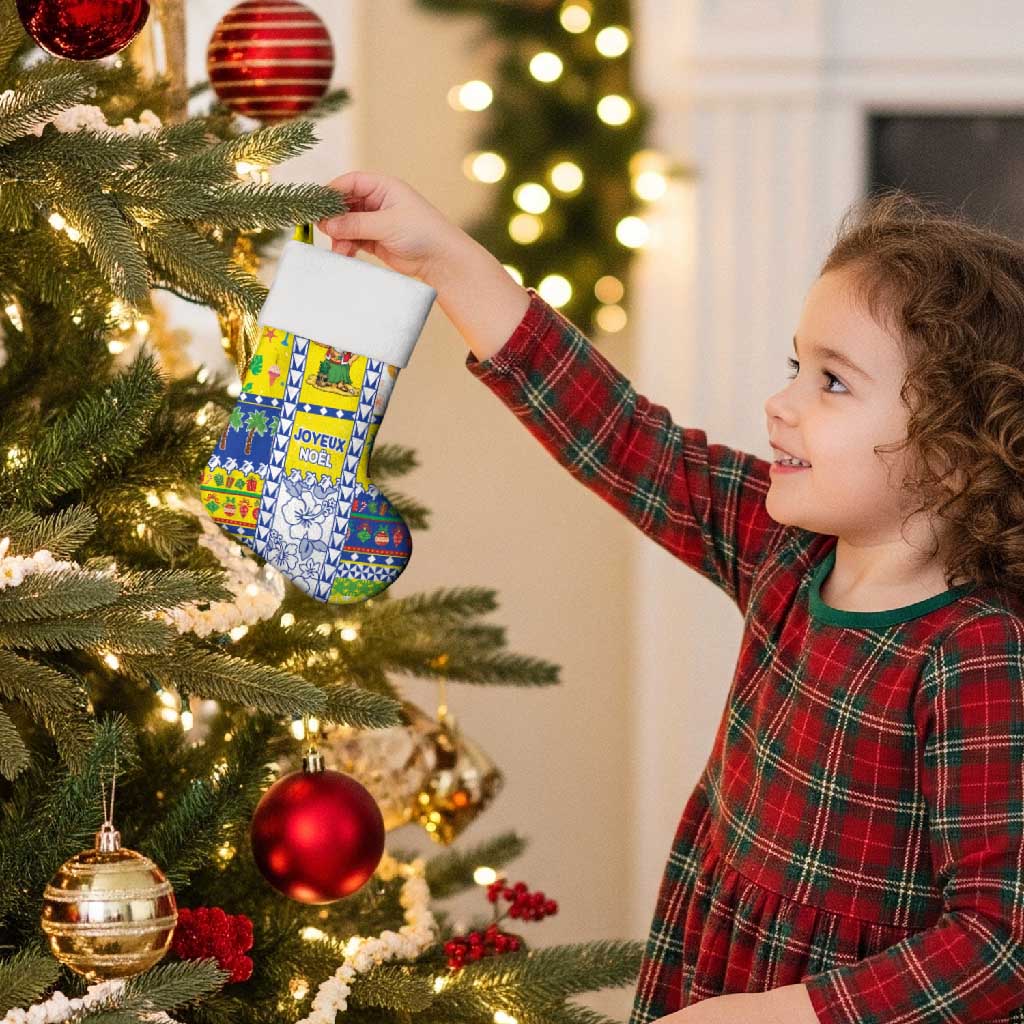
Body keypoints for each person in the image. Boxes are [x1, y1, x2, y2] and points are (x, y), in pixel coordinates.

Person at [317, 173, 1024, 1024]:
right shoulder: (786, 552)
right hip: (714, 964)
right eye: (796, 367)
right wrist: (451, 261)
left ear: (956, 455)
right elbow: (621, 435)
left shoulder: (978, 652)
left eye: (832, 383)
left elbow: (997, 941)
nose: (782, 403)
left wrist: (779, 1016)